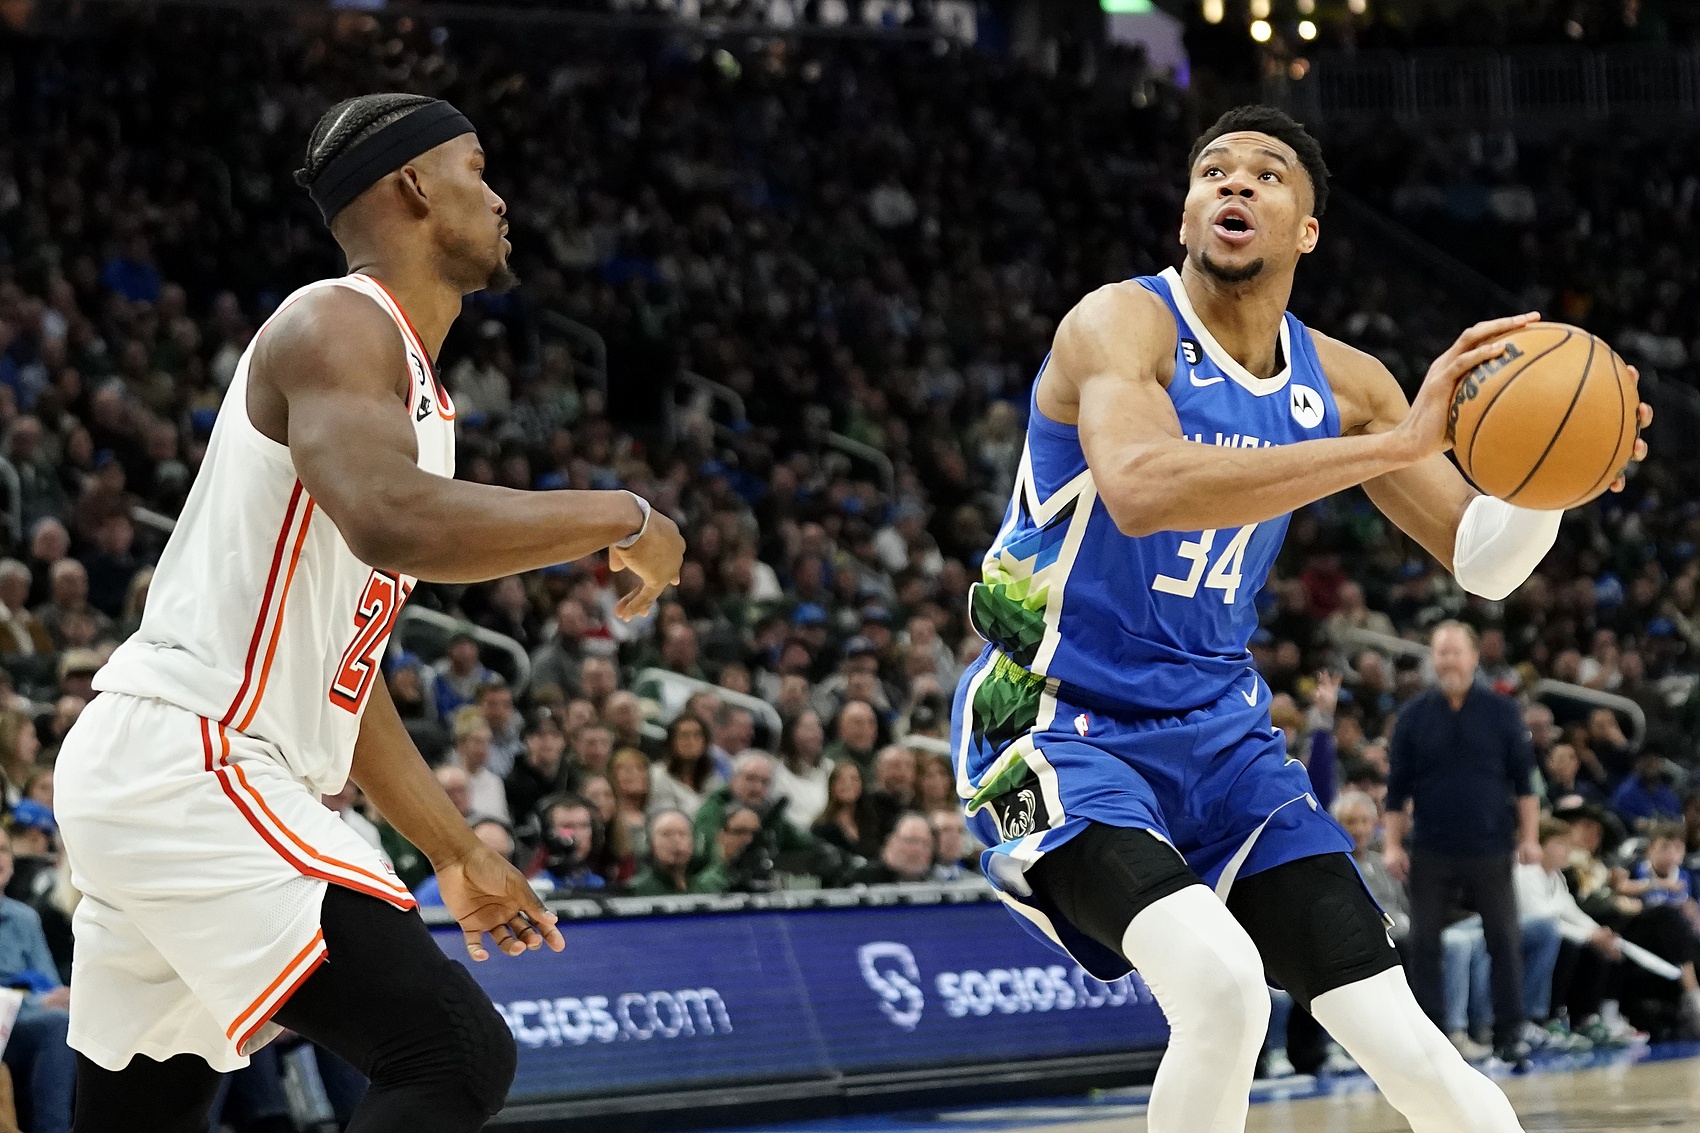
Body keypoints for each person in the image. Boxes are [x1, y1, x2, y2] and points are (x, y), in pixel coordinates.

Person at [950, 105, 1649, 1133]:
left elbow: (1484, 560)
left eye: (1266, 174)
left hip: (1222, 740)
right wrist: (1393, 445)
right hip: (1055, 725)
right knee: (1223, 987)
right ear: (1185, 214)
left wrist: (1552, 480)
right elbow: (1140, 486)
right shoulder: (1119, 322)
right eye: (1212, 172)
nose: (1233, 183)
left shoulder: (1348, 382)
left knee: (1415, 1051)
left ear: (1306, 230)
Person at [53, 93, 684, 1131]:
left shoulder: (412, 395)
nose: (499, 197)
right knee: (449, 1052)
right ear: (413, 185)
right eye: (476, 168)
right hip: (199, 756)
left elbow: (345, 673)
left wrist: (453, 847)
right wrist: (624, 514)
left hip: (177, 767)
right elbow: (396, 522)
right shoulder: (337, 321)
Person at [1385, 621, 1542, 1063]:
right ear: (1433, 660)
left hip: (1491, 845)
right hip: (1430, 846)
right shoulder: (1413, 716)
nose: (1449, 661)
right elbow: (1397, 789)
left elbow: (1525, 783)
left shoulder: (1502, 712)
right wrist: (1393, 845)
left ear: (1474, 657)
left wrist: (1530, 837)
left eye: (1456, 652)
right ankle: (1431, 1035)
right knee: (1424, 943)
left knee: (1503, 941)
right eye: (1442, 653)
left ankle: (1510, 1032)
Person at [1513, 817, 1623, 1051]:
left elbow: (1571, 912)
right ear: (1540, 845)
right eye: (1561, 844)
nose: (1568, 851)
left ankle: (1585, 1018)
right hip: (1523, 941)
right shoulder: (1525, 874)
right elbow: (1545, 922)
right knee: (1569, 945)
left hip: (1547, 936)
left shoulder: (1556, 876)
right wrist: (1588, 936)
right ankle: (1547, 1018)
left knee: (1596, 948)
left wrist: (1598, 932)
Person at [625, 810, 723, 896]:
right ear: (650, 843)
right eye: (667, 834)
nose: (676, 840)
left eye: (682, 834)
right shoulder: (636, 891)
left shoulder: (709, 888)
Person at [648, 713, 721, 818]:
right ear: (672, 742)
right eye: (684, 736)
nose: (691, 742)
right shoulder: (657, 776)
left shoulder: (712, 779)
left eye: (697, 735)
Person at [771, 708, 832, 828]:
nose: (815, 734)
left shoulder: (830, 768)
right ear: (791, 733)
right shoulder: (776, 771)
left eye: (817, 727)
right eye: (808, 728)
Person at [847, 813, 936, 885]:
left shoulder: (936, 881)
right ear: (889, 842)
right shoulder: (863, 878)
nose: (918, 849)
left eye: (926, 844)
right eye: (910, 841)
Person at [1611, 748, 1684, 828]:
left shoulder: (1670, 796)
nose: (1652, 764)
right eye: (1647, 759)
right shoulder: (1625, 793)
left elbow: (1677, 821)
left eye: (1655, 759)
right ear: (1637, 763)